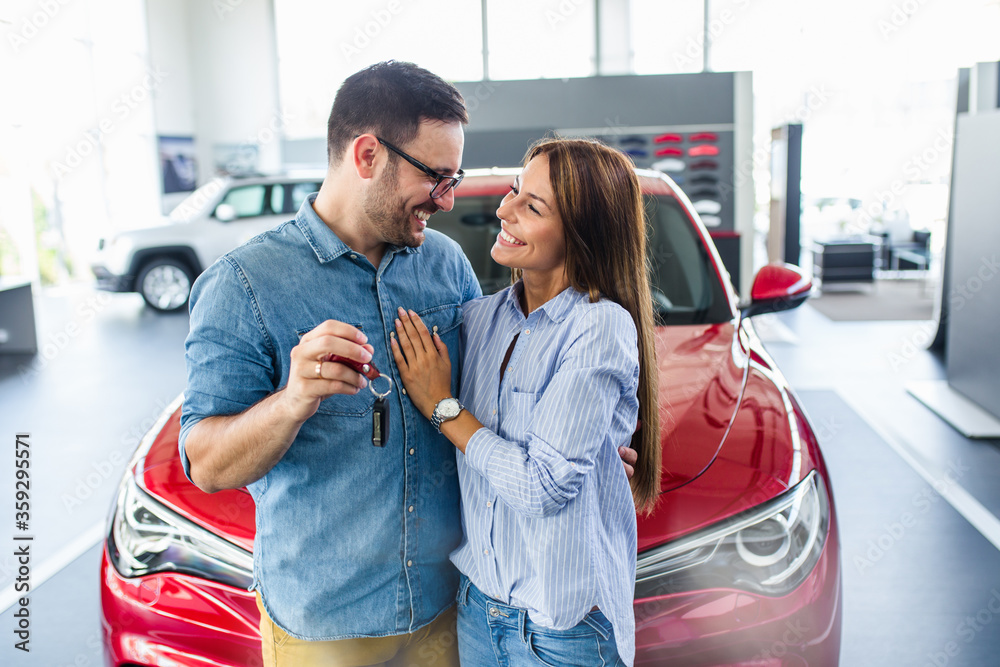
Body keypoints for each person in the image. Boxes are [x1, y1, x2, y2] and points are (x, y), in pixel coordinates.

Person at [179, 61, 477, 666]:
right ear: (367, 155)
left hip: (448, 606)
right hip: (325, 629)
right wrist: (292, 401)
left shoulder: (446, 265)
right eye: (436, 177)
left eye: (454, 178)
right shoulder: (244, 286)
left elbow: (490, 397)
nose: (446, 200)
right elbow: (207, 465)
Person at [390, 137, 662, 667]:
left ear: (582, 236)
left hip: (562, 631)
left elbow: (542, 488)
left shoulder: (599, 326)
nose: (504, 209)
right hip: (476, 613)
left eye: (531, 206)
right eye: (515, 190)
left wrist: (444, 407)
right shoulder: (481, 318)